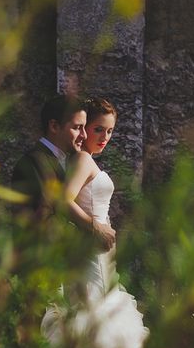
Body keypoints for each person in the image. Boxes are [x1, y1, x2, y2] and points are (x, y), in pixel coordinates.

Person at [41, 97, 149, 348]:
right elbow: (63, 202)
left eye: (110, 131)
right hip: (91, 246)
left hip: (98, 250)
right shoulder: (82, 159)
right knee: (95, 307)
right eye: (98, 129)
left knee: (99, 303)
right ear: (85, 128)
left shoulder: (83, 160)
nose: (104, 137)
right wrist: (95, 227)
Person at [10, 94, 116, 250]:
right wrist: (95, 229)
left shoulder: (67, 161)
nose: (84, 135)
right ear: (54, 126)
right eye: (77, 127)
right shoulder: (35, 161)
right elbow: (44, 218)